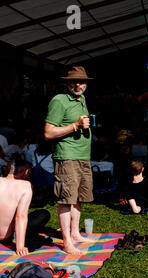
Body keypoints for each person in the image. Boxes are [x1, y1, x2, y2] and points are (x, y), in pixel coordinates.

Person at [44, 66, 96, 255]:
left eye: (82, 81)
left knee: (79, 197)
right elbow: (48, 133)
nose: (78, 84)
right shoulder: (59, 100)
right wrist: (75, 125)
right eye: (74, 81)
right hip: (67, 156)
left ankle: (75, 234)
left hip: (82, 156)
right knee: (66, 199)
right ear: (67, 82)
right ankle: (67, 242)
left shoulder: (82, 99)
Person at [0, 159, 51, 256]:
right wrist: (20, 246)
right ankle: (20, 236)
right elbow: (21, 216)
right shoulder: (25, 186)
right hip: (6, 236)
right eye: (30, 173)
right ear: (26, 172)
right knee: (43, 214)